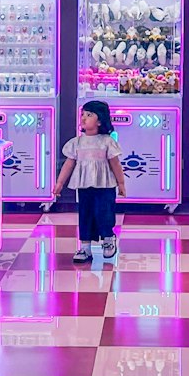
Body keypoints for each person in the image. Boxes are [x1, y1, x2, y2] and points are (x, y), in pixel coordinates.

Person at [52, 99, 127, 264]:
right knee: (85, 213)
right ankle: (85, 246)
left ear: (100, 120)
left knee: (105, 212)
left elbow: (115, 164)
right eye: (82, 114)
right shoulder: (77, 142)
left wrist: (121, 183)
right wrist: (59, 183)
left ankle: (108, 238)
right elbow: (69, 163)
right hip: (84, 185)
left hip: (105, 185)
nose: (83, 118)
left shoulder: (107, 141)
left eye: (89, 115)